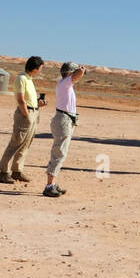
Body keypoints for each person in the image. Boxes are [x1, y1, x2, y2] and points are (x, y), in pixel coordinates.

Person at [0, 56, 45, 184]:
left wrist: (38, 103)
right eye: (40, 68)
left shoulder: (29, 79)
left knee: (25, 144)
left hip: (33, 113)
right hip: (25, 115)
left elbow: (28, 99)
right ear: (35, 68)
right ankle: (3, 172)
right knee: (16, 142)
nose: (40, 71)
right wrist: (27, 115)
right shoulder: (21, 79)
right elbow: (20, 100)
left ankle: (17, 171)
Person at [43, 62, 85, 198]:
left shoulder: (65, 84)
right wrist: (81, 69)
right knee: (58, 153)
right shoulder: (65, 83)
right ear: (69, 73)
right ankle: (49, 186)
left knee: (60, 152)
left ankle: (53, 184)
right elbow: (78, 75)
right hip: (63, 120)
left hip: (65, 119)